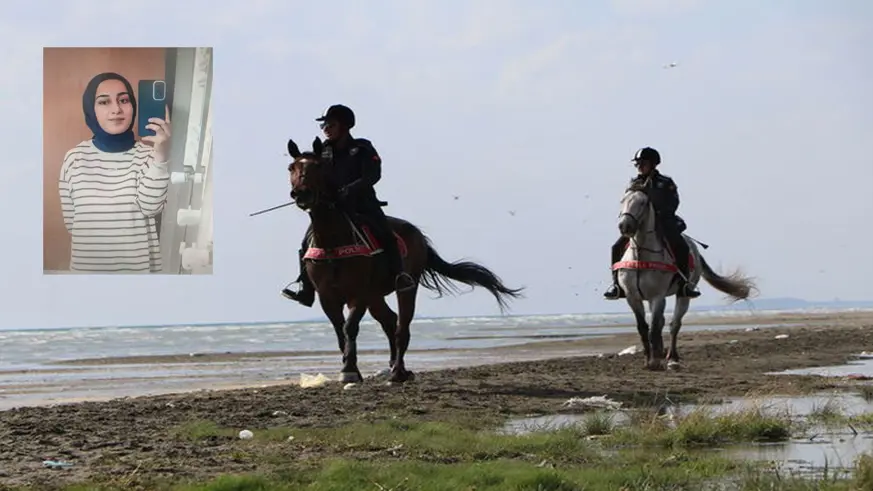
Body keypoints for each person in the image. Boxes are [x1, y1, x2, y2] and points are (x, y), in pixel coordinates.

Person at [282, 104, 416, 306]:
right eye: (324, 125)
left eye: (331, 124)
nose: (326, 128)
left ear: (344, 126)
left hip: (362, 204)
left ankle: (400, 276)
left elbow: (373, 174)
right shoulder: (323, 151)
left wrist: (350, 189)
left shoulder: (362, 148)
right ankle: (306, 288)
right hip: (333, 207)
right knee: (305, 244)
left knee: (385, 234)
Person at [58, 72, 172, 273]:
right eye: (104, 102)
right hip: (86, 274)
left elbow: (150, 207)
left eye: (124, 100)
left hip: (137, 275)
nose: (116, 109)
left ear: (133, 106)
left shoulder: (149, 155)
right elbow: (72, 223)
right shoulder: (75, 158)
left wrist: (161, 153)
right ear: (91, 110)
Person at [603, 147, 700, 300]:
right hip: (639, 224)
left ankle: (684, 284)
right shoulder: (633, 183)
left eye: (643, 163)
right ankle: (617, 285)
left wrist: (659, 213)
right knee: (616, 247)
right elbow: (629, 201)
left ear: (653, 164)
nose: (639, 166)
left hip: (663, 222)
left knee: (681, 246)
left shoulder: (665, 182)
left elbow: (674, 202)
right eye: (637, 164)